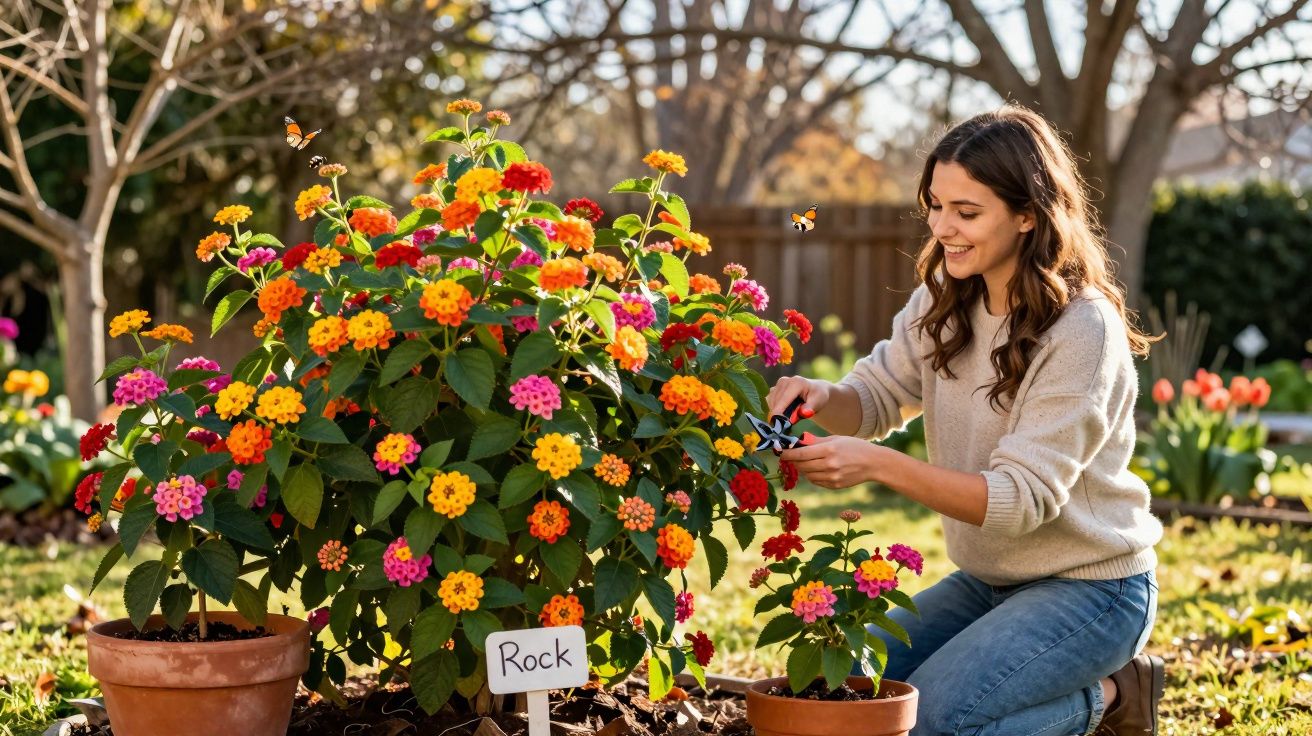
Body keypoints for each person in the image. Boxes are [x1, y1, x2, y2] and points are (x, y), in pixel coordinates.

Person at [767, 105, 1164, 736]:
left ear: (1029, 214)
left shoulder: (1082, 331)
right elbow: (875, 395)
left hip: (1093, 591)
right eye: (935, 205)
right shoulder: (946, 297)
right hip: (990, 580)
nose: (943, 227)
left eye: (967, 212)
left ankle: (1114, 696)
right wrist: (820, 395)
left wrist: (877, 466)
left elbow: (1018, 500)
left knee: (934, 724)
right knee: (838, 692)